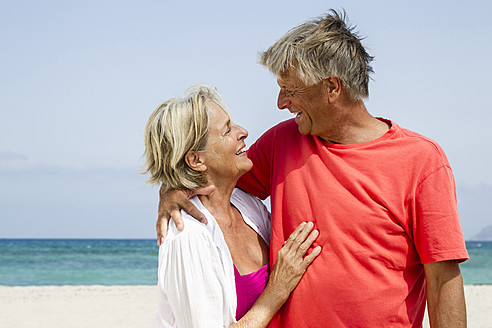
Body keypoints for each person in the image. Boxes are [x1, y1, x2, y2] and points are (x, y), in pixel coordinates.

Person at [156, 10, 469, 327]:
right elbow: (214, 178)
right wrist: (171, 190)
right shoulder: (281, 142)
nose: (281, 103)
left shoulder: (421, 160)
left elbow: (443, 278)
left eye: (290, 90)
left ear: (332, 88)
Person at [144, 85, 321, 328]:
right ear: (196, 160)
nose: (243, 132)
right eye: (227, 129)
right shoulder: (188, 237)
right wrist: (276, 291)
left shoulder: (246, 205)